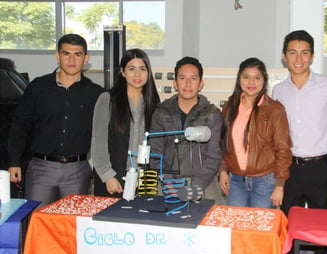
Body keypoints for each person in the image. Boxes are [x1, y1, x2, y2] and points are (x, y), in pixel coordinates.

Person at [272, 30, 327, 254]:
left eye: (305, 53)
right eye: (293, 52)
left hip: (320, 168)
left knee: (322, 231)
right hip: (289, 169)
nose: (299, 58)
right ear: (284, 56)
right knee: (288, 228)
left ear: (312, 56)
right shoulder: (278, 91)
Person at [7, 34, 104, 208]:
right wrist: (14, 161)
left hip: (77, 171)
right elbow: (19, 125)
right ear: (57, 56)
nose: (72, 59)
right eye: (66, 54)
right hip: (41, 170)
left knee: (70, 226)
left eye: (78, 54)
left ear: (86, 58)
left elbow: (105, 133)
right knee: (38, 222)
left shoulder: (96, 93)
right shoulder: (38, 87)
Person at [148, 56, 224, 204]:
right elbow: (155, 152)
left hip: (203, 185)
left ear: (201, 84)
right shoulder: (161, 112)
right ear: (175, 83)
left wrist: (197, 185)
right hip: (167, 184)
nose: (188, 83)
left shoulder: (212, 114)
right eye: (182, 78)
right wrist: (168, 182)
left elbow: (215, 155)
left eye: (193, 78)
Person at [218, 57, 292, 208]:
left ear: (264, 80)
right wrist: (223, 171)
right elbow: (224, 144)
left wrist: (279, 185)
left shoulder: (275, 110)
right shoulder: (229, 107)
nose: (251, 83)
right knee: (236, 226)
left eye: (257, 77)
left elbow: (283, 149)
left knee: (260, 228)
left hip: (265, 182)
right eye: (246, 77)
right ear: (239, 79)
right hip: (235, 181)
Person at [91, 48, 160, 197]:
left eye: (142, 69)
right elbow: (98, 145)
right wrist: (107, 175)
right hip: (113, 179)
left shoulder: (154, 105)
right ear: (122, 72)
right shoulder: (107, 99)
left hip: (145, 180)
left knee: (143, 218)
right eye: (131, 69)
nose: (137, 74)